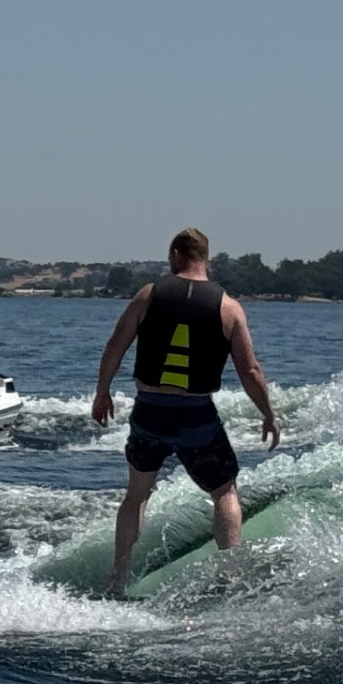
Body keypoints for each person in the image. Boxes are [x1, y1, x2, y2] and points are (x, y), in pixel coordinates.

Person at [91, 228, 280, 596]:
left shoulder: (149, 295)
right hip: (196, 417)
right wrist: (268, 414)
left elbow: (116, 344)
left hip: (149, 411)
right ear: (205, 258)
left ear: (177, 254)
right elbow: (250, 370)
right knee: (224, 492)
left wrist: (102, 393)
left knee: (137, 495)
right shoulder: (229, 307)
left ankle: (116, 580)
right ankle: (229, 579)